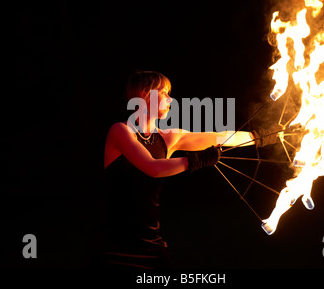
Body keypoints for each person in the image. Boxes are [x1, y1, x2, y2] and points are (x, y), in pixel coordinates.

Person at [91, 70, 278, 269]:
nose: (170, 98)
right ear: (144, 95)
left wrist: (263, 136)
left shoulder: (169, 137)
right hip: (114, 245)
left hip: (151, 244)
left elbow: (221, 136)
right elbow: (152, 168)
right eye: (163, 92)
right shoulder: (120, 131)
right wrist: (196, 160)